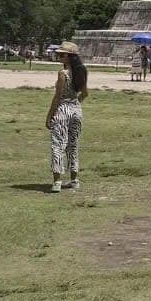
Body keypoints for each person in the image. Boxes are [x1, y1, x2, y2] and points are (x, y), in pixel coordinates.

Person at [45, 41, 88, 194]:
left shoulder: (63, 74)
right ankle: (74, 179)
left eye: (62, 55)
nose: (59, 57)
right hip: (76, 109)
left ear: (70, 57)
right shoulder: (82, 72)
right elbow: (85, 93)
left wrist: (50, 115)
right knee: (73, 145)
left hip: (63, 110)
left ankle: (57, 181)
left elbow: (57, 97)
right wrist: (75, 103)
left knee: (58, 145)